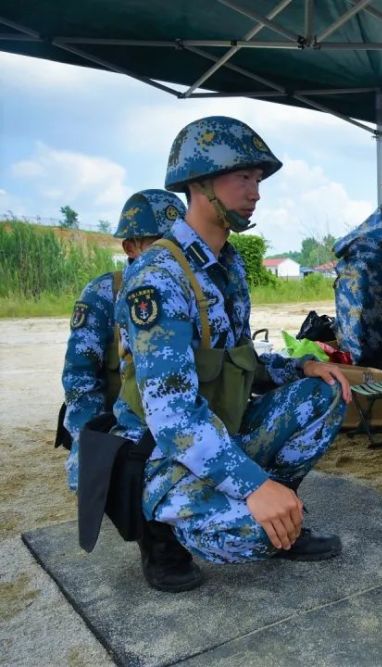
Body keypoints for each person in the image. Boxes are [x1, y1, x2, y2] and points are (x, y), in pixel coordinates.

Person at [112, 116, 352, 592]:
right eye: (243, 178)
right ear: (200, 183)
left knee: (321, 393)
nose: (255, 192)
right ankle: (164, 536)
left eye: (257, 180)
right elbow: (174, 417)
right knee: (252, 540)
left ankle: (286, 511)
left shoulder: (228, 265)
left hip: (222, 426)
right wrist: (252, 485)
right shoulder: (159, 278)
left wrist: (303, 365)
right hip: (162, 452)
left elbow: (239, 357)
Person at [60, 190, 186, 492]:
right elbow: (80, 377)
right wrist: (90, 442)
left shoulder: (190, 290)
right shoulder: (104, 292)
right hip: (116, 419)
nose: (171, 251)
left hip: (171, 422)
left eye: (177, 242)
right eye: (159, 242)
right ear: (131, 247)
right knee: (101, 486)